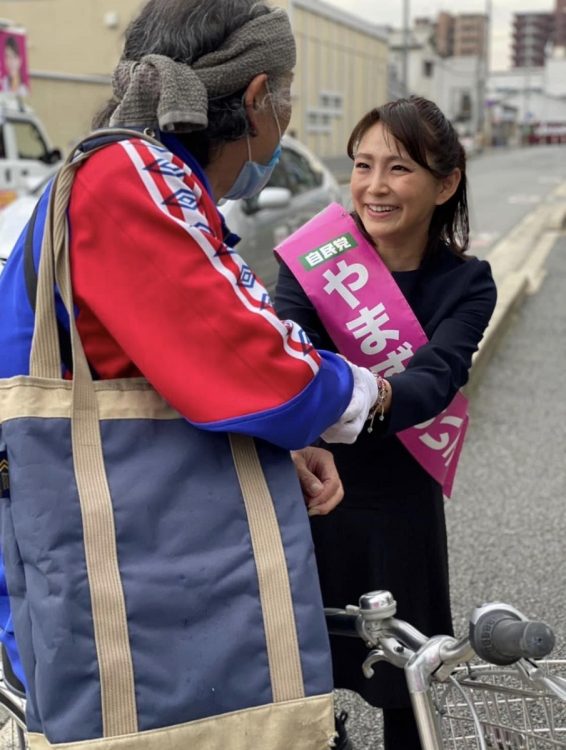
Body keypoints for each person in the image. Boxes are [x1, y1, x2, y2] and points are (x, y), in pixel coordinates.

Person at [0, 1, 378, 746]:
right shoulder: (131, 175)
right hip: (129, 627)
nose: (288, 119)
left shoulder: (125, 172)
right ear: (258, 96)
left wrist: (277, 442)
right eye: (290, 98)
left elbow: (168, 368)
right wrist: (362, 391)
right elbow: (263, 365)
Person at [274, 96, 498, 749]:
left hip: (403, 499)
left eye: (398, 169)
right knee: (300, 674)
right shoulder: (311, 263)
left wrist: (349, 401)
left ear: (445, 182)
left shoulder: (467, 283)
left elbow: (436, 376)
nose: (374, 186)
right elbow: (290, 361)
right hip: (312, 491)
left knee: (410, 681)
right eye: (362, 165)